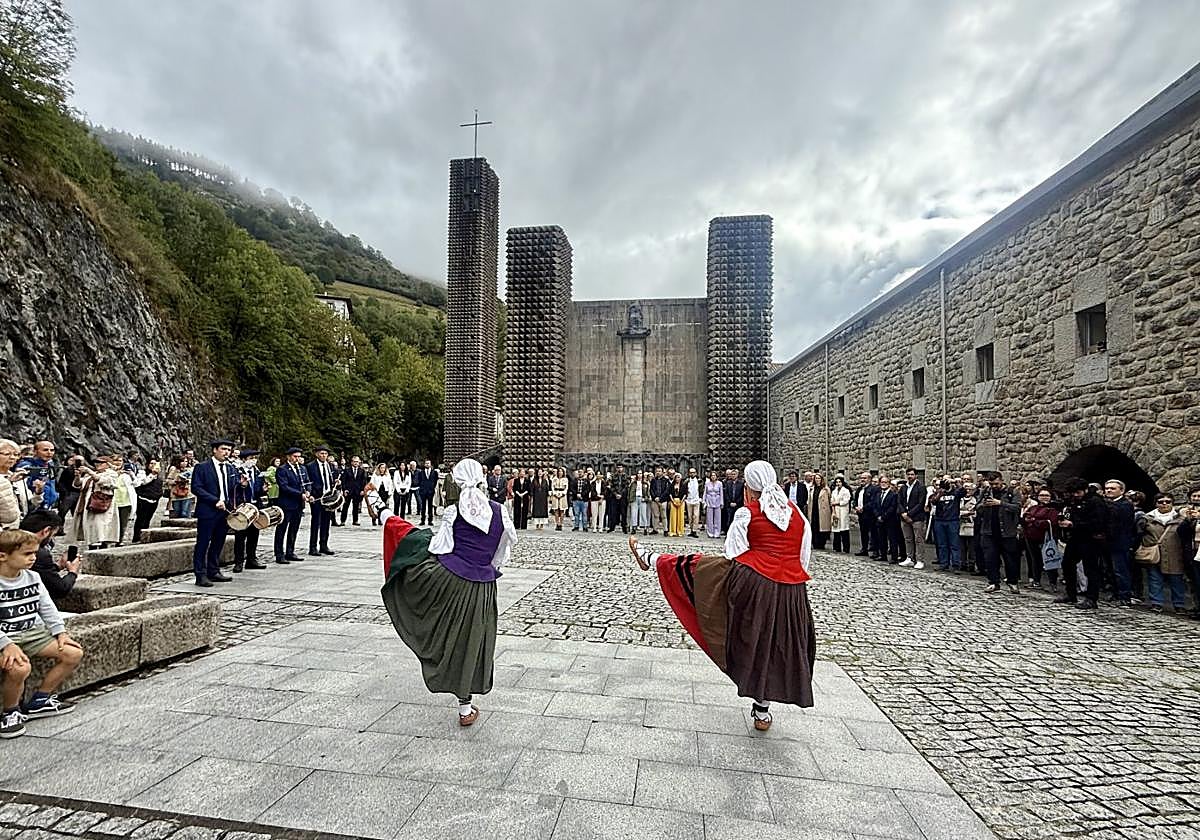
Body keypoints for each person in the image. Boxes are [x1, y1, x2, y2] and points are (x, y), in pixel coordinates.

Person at [626, 460, 816, 731]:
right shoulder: (798, 514)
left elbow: (733, 553)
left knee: (698, 568)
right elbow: (803, 557)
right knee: (773, 643)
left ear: (749, 490)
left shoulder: (747, 514)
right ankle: (762, 712)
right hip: (791, 591)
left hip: (756, 586)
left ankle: (652, 559)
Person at [366, 459, 516, 725]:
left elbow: (439, 548)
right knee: (471, 643)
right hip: (481, 587)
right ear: (482, 479)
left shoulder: (453, 511)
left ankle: (381, 510)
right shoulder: (501, 512)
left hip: (448, 581)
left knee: (414, 540)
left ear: (457, 483)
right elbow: (499, 557)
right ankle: (465, 710)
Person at [0, 529, 85, 738]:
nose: (33, 558)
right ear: (3, 556)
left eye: (34, 553)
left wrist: (61, 633)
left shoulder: (33, 577)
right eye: (27, 554)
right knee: (19, 668)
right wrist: (5, 644)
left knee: (73, 653)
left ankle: (40, 700)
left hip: (31, 632)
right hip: (5, 637)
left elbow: (47, 608)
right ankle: (10, 712)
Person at [189, 439, 238, 587]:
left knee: (218, 542)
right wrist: (214, 500)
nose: (226, 453)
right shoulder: (202, 467)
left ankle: (213, 570)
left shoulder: (230, 468)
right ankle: (200, 574)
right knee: (203, 543)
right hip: (208, 511)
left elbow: (231, 488)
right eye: (223, 449)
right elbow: (196, 488)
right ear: (214, 450)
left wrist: (241, 484)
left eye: (228, 450)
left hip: (224, 512)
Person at [1056, 478, 1107, 609]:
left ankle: (1091, 598)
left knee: (1091, 568)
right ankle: (1071, 593)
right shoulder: (1076, 500)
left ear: (1085, 489)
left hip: (1091, 538)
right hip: (1076, 537)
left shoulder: (1095, 502)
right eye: (1073, 493)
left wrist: (1073, 524)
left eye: (1078, 492)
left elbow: (1098, 523)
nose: (1076, 495)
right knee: (1067, 563)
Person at [1136, 493, 1188, 614]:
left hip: (1175, 552)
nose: (1164, 504)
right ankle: (1156, 603)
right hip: (1155, 553)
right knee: (1155, 579)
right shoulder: (1147, 518)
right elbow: (1139, 533)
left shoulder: (1180, 518)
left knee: (1176, 580)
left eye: (1167, 501)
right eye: (1161, 502)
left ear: (1172, 503)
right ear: (1156, 504)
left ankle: (1179, 604)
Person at [20, 510, 79, 606]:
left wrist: (57, 566)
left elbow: (40, 572)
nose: (52, 540)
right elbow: (60, 589)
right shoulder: (39, 554)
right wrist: (72, 572)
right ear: (46, 531)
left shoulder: (9, 542)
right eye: (53, 535)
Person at [977, 472, 1023, 594]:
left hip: (1007, 531)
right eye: (992, 484)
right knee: (990, 558)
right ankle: (993, 582)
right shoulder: (986, 491)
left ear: (1002, 481)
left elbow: (1017, 508)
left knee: (1010, 559)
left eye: (996, 483)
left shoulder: (1012, 492)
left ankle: (1012, 582)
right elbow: (977, 507)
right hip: (989, 530)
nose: (994, 486)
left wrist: (1000, 503)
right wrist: (984, 505)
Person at [231, 449, 268, 572]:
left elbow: (258, 490)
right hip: (243, 506)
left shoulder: (257, 472)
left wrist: (263, 490)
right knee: (240, 535)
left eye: (255, 458)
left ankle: (252, 559)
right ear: (243, 460)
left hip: (255, 505)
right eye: (250, 458)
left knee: (254, 533)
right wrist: (242, 485)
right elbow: (233, 488)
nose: (253, 461)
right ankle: (238, 562)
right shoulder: (237, 471)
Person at [72, 458, 120, 550]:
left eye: (101, 463)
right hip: (89, 504)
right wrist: (77, 476)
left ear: (107, 464)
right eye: (96, 462)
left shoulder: (111, 474)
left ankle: (103, 547)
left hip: (102, 504)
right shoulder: (91, 475)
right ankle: (92, 546)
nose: (98, 464)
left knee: (101, 527)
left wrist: (89, 471)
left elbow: (103, 482)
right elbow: (77, 484)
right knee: (91, 527)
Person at [1104, 480, 1137, 607]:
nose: (1109, 490)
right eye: (1107, 488)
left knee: (1121, 570)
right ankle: (1115, 592)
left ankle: (1125, 596)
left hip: (1119, 542)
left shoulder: (1125, 505)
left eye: (1112, 488)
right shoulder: (1107, 503)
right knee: (1110, 569)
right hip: (1107, 542)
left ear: (1121, 491)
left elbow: (1120, 523)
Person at [274, 447, 309, 564]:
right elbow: (284, 487)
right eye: (295, 456)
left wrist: (308, 491)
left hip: (298, 504)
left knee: (294, 529)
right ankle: (279, 554)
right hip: (286, 503)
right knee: (282, 529)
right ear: (289, 457)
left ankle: (290, 551)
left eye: (299, 457)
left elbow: (307, 482)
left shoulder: (302, 468)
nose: (297, 459)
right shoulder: (282, 469)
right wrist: (300, 494)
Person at [1022, 488, 1061, 591]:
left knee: (1050, 560)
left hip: (1046, 539)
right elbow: (1025, 517)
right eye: (1042, 495)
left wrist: (1035, 521)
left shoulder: (1053, 509)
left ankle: (1053, 583)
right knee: (1035, 560)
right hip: (1031, 537)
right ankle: (1036, 581)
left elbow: (1050, 522)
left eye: (1046, 495)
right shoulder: (1034, 507)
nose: (1044, 497)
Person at [306, 446, 337, 556]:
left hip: (328, 497)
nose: (324, 456)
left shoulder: (330, 465)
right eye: (321, 453)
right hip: (317, 497)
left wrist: (335, 484)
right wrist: (311, 494)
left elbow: (331, 479)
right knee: (316, 522)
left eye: (325, 454)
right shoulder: (310, 466)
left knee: (326, 522)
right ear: (317, 454)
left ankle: (324, 544)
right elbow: (308, 482)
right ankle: (313, 547)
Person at [928, 478, 964, 571]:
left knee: (954, 544)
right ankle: (944, 563)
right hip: (940, 520)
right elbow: (933, 501)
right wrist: (940, 493)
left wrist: (957, 483)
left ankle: (956, 565)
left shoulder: (955, 492)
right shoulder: (938, 492)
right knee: (942, 544)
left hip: (952, 520)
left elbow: (963, 492)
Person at [15, 441, 57, 513]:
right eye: (45, 450)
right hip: (32, 507)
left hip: (48, 506)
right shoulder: (26, 466)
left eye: (52, 450)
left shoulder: (50, 465)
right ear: (35, 451)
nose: (49, 452)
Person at [898, 468, 927, 569]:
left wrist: (909, 514)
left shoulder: (921, 487)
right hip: (904, 517)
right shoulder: (903, 488)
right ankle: (909, 557)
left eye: (912, 474)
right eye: (908, 474)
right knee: (908, 539)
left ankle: (920, 560)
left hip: (917, 517)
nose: (910, 476)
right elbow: (899, 501)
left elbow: (920, 503)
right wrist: (903, 513)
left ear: (916, 476)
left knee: (918, 539)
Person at [131, 458, 163, 543]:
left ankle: (144, 537)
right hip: (143, 499)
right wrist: (152, 474)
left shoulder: (158, 476)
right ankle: (137, 537)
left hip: (154, 500)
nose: (153, 466)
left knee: (148, 519)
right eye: (151, 463)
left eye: (155, 464)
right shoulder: (142, 473)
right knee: (141, 519)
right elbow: (143, 483)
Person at [108, 455, 138, 545]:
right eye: (116, 460)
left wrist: (132, 475)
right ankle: (107, 540)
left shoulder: (127, 473)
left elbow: (136, 483)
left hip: (126, 501)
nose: (118, 462)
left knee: (123, 522)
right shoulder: (108, 473)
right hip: (112, 501)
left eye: (120, 461)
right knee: (110, 522)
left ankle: (120, 540)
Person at [852, 472, 879, 559]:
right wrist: (855, 506)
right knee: (863, 533)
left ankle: (875, 551)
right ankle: (864, 549)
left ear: (869, 479)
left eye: (865, 478)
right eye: (861, 478)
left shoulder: (873, 489)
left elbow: (873, 502)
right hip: (861, 515)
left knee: (873, 533)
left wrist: (863, 508)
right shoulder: (859, 489)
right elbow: (855, 499)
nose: (862, 480)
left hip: (870, 515)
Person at [875, 476, 902, 563]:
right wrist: (878, 515)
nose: (883, 484)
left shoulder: (893, 495)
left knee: (892, 539)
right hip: (879, 520)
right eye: (882, 482)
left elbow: (892, 507)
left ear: (889, 484)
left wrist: (883, 516)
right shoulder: (878, 494)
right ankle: (882, 555)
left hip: (890, 520)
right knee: (881, 538)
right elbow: (875, 506)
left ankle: (894, 557)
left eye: (885, 482)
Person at [0, 440, 24, 530]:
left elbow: (27, 504)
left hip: (18, 530)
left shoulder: (18, 477)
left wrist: (38, 492)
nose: (12, 458)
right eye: (7, 454)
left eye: (16, 454)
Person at [829, 475, 852, 553]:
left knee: (844, 529)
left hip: (843, 511)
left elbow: (846, 501)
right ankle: (836, 547)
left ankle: (846, 548)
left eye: (839, 482)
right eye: (837, 482)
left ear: (842, 482)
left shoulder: (846, 491)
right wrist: (833, 509)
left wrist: (837, 503)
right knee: (836, 530)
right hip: (836, 511)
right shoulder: (834, 491)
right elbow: (832, 500)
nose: (838, 483)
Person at [959, 481, 978, 573]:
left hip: (971, 525)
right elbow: (956, 511)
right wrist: (966, 513)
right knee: (961, 546)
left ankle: (971, 564)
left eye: (970, 489)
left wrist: (965, 513)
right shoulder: (959, 499)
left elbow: (975, 513)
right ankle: (962, 563)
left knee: (972, 547)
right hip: (961, 525)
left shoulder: (975, 500)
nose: (968, 491)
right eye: (966, 489)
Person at [414, 460, 439, 526]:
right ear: (424, 464)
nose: (427, 464)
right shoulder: (421, 472)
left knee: (430, 506)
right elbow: (419, 481)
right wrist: (421, 488)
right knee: (423, 507)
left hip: (430, 491)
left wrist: (432, 487)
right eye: (426, 463)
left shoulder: (434, 472)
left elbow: (435, 481)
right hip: (423, 491)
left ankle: (430, 520)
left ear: (430, 464)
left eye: (428, 463)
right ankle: (422, 520)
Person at [811, 473, 832, 550]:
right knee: (814, 526)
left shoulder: (826, 489)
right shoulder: (812, 488)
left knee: (822, 527)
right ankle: (815, 543)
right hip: (814, 509)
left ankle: (821, 543)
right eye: (816, 478)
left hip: (823, 511)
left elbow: (830, 499)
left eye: (819, 478)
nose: (817, 480)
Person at [721, 469, 744, 535]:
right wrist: (730, 502)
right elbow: (726, 494)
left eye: (734, 474)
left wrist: (737, 502)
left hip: (738, 504)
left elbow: (741, 494)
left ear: (737, 475)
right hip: (729, 504)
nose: (733, 476)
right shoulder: (728, 483)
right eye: (732, 474)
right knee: (729, 519)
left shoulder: (741, 483)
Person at [649, 467, 669, 535]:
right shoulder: (653, 480)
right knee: (655, 515)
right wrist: (655, 497)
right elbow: (651, 490)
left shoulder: (666, 480)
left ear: (662, 472)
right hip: (655, 500)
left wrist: (660, 498)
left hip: (663, 500)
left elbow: (667, 491)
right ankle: (655, 529)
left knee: (664, 516)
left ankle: (665, 530)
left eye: (659, 471)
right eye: (657, 471)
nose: (658, 472)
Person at [684, 468, 702, 538]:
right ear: (689, 473)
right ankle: (691, 530)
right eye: (691, 472)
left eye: (693, 472)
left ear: (696, 473)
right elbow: (684, 489)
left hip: (696, 500)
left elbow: (701, 490)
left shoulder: (699, 481)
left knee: (696, 516)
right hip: (689, 500)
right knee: (690, 516)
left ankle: (695, 530)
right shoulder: (686, 481)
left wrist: (700, 498)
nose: (692, 474)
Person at [667, 473, 686, 537]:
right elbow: (670, 494)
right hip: (674, 501)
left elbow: (685, 494)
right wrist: (673, 501)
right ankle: (673, 531)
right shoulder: (672, 485)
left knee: (680, 516)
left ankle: (680, 531)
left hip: (681, 501)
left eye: (678, 477)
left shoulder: (683, 485)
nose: (677, 479)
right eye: (676, 477)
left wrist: (681, 501)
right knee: (673, 516)